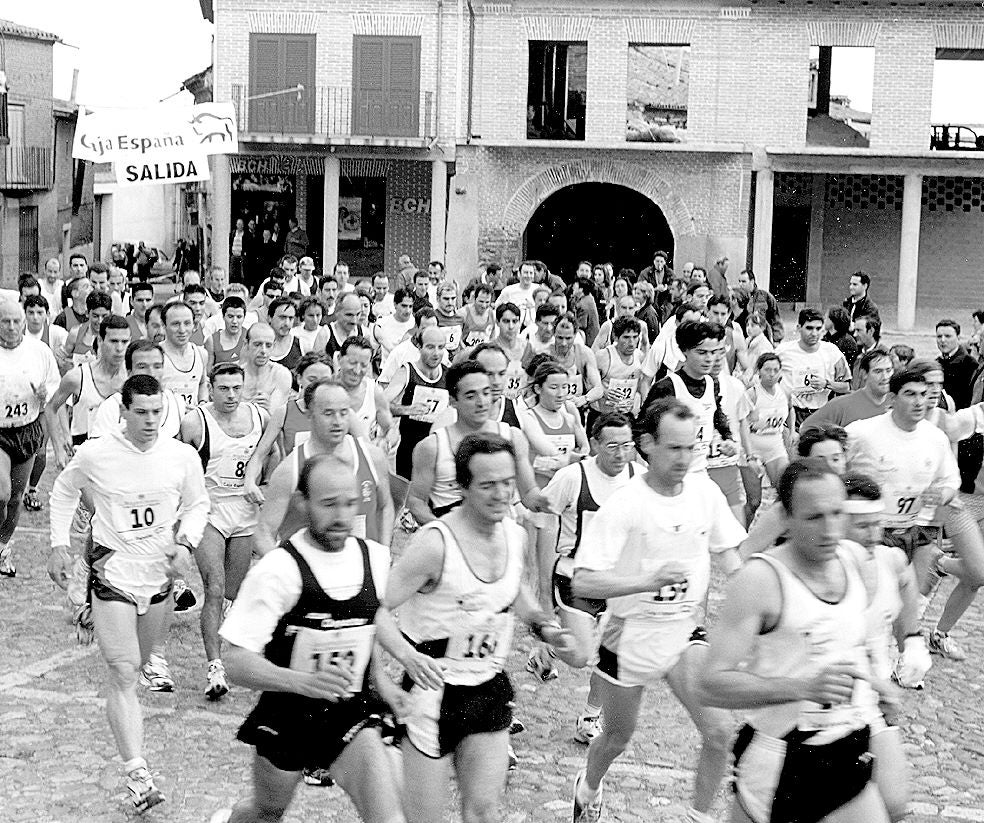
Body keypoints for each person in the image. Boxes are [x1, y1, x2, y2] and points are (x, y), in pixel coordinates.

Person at [383, 433, 574, 823]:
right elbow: (376, 609)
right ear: (463, 487)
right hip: (433, 694)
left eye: (507, 482)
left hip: (488, 686)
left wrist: (545, 626)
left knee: (485, 813)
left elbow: (515, 590)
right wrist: (405, 656)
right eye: (487, 485)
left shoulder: (515, 535)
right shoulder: (435, 544)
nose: (501, 494)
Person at [209, 453, 410, 823]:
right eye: (329, 504)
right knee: (266, 812)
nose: (341, 516)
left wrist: (385, 686)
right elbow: (235, 661)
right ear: (303, 503)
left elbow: (364, 631)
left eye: (350, 503)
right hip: (288, 714)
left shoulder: (376, 560)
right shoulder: (278, 570)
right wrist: (301, 681)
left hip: (350, 711)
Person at [570, 398, 744, 823]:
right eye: (674, 448)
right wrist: (646, 581)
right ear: (646, 444)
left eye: (691, 448)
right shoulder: (627, 503)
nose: (685, 459)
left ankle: (697, 817)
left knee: (720, 733)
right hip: (630, 633)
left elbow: (730, 557)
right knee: (615, 739)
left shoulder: (705, 492)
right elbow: (584, 581)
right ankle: (588, 788)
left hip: (684, 630)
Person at [697, 460, 894, 823]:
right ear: (786, 518)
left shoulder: (851, 560)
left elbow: (842, 647)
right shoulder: (760, 580)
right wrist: (803, 687)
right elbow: (710, 685)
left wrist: (875, 683)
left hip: (846, 747)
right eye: (814, 517)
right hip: (782, 758)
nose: (830, 528)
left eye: (837, 513)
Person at [47, 374, 209, 812]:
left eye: (158, 411)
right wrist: (59, 544)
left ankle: (86, 616)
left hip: (158, 579)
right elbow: (64, 488)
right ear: (123, 412)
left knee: (135, 670)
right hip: (113, 571)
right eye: (141, 412)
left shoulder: (181, 457)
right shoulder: (98, 453)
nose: (151, 420)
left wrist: (185, 542)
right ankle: (138, 776)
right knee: (122, 672)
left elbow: (197, 505)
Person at [846, 367, 984, 662]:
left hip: (918, 529)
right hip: (876, 531)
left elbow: (950, 480)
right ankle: (866, 654)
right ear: (893, 399)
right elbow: (831, 460)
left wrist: (943, 494)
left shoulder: (935, 437)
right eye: (910, 394)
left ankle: (901, 659)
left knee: (911, 601)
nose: (920, 401)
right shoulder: (863, 432)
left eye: (924, 394)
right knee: (875, 597)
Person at [539, 411, 638, 743]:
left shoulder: (640, 478)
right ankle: (549, 650)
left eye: (628, 445)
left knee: (612, 655)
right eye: (613, 446)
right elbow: (541, 524)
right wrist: (541, 593)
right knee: (581, 655)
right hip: (574, 575)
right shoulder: (572, 477)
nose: (621, 454)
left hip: (619, 583)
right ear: (594, 443)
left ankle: (589, 717)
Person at [179, 363, 269, 701]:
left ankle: (228, 640)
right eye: (224, 389)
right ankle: (214, 666)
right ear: (211, 389)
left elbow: (270, 454)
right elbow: (177, 461)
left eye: (236, 388)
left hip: (245, 514)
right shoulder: (195, 422)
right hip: (210, 511)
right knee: (214, 588)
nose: (231, 395)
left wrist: (264, 484)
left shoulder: (258, 418)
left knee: (233, 592)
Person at [841, 471, 927, 818]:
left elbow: (906, 582)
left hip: (873, 703)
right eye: (862, 525)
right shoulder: (821, 571)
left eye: (878, 524)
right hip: (825, 703)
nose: (873, 534)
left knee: (894, 803)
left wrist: (913, 638)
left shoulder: (889, 558)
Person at [254, 379, 393, 554]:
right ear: (310, 414)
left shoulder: (372, 457)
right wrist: (287, 572)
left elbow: (385, 506)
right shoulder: (290, 470)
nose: (338, 421)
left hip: (360, 573)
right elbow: (263, 532)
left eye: (344, 413)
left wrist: (384, 552)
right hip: (311, 575)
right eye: (328, 413)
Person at [406, 360, 542, 525]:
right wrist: (444, 532)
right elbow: (416, 501)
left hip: (501, 534)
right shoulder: (432, 447)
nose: (482, 402)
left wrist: (550, 502)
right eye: (471, 396)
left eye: (486, 393)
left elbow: (529, 493)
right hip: (451, 530)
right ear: (453, 401)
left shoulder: (513, 437)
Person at [0, 301, 61, 576]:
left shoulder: (39, 351)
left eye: (16, 321)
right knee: (1, 494)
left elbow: (55, 392)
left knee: (14, 498)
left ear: (24, 321)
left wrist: (43, 395)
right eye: (5, 321)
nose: (11, 327)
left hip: (27, 429)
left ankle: (3, 545)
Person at [641, 320, 736, 476]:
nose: (709, 359)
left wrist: (728, 438)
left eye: (713, 352)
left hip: (700, 473)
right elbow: (640, 429)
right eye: (702, 352)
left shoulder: (712, 383)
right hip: (669, 476)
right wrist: (659, 461)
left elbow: (716, 413)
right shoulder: (667, 387)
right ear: (685, 351)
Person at [387, 325, 449, 479]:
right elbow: (382, 404)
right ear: (419, 347)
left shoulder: (449, 375)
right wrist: (407, 410)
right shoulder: (407, 371)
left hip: (438, 450)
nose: (436, 353)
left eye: (441, 347)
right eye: (430, 347)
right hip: (409, 450)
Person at [737, 352, 792, 522]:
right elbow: (743, 424)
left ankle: (777, 532)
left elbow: (790, 410)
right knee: (754, 502)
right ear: (759, 371)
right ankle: (742, 534)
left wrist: (790, 432)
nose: (772, 374)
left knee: (787, 491)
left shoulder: (785, 392)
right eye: (767, 369)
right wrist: (749, 455)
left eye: (776, 370)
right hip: (753, 444)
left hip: (775, 444)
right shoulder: (752, 394)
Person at [776, 308, 850, 430]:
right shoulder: (782, 351)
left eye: (818, 329)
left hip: (820, 413)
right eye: (809, 328)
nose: (814, 333)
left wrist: (826, 384)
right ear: (798, 328)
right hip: (791, 414)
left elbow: (846, 386)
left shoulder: (832, 352)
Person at [798, 347, 892, 434]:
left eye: (888, 370)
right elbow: (806, 428)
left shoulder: (898, 401)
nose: (885, 377)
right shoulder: (842, 405)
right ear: (864, 374)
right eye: (878, 371)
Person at [526, 312, 602, 414]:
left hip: (576, 410)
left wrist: (584, 399)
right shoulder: (544, 354)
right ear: (554, 334)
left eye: (568, 338)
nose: (563, 343)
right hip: (549, 410)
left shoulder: (584, 354)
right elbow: (531, 388)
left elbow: (598, 388)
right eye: (560, 338)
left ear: (575, 335)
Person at [337, 336, 391, 442]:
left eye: (363, 365)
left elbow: (390, 428)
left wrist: (384, 443)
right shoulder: (323, 390)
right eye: (352, 363)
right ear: (339, 359)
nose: (357, 371)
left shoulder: (375, 392)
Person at [591, 316, 644, 423]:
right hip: (602, 416)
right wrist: (604, 392)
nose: (631, 342)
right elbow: (588, 383)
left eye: (635, 337)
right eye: (626, 337)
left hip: (626, 417)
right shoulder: (602, 357)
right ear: (615, 337)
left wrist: (634, 403)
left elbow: (640, 389)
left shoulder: (640, 357)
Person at [160, 301, 208, 410]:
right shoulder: (155, 356)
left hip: (192, 421)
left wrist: (203, 402)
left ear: (194, 325)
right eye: (175, 324)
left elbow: (202, 383)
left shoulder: (201, 354)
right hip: (166, 422)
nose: (182, 330)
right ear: (164, 326)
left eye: (187, 323)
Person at [241, 323, 292, 413]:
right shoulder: (236, 375)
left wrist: (268, 408)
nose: (263, 351)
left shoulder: (281, 374)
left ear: (274, 346)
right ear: (246, 344)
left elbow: (275, 414)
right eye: (257, 344)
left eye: (268, 345)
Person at [58, 291, 113, 373]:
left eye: (104, 316)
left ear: (111, 314)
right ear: (87, 313)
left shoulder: (116, 336)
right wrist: (63, 363)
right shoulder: (75, 333)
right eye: (95, 316)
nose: (100, 321)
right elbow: (62, 360)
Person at [735, 269, 783, 342]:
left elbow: (776, 319)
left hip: (763, 339)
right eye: (739, 281)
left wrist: (776, 340)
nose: (740, 284)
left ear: (752, 282)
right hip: (745, 339)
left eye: (744, 281)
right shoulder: (739, 298)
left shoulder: (765, 297)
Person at [205, 296, 248, 370]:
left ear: (244, 317)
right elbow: (207, 371)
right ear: (223, 316)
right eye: (230, 316)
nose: (234, 321)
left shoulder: (250, 337)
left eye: (239, 317)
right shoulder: (212, 340)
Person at [321, 292, 366, 359]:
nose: (354, 320)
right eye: (349, 315)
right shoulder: (325, 334)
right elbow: (315, 366)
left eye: (358, 314)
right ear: (337, 312)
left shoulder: (364, 333)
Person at [495, 260, 538, 329]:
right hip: (512, 328)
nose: (528, 276)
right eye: (526, 273)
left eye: (531, 273)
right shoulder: (508, 291)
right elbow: (497, 309)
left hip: (534, 329)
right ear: (519, 274)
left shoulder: (539, 290)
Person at [265, 297, 303, 372]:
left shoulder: (301, 345)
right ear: (269, 318)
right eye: (282, 317)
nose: (287, 323)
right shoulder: (256, 344)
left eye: (291, 318)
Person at [851, 314, 882, 389]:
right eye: (854, 330)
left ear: (871, 331)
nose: (855, 335)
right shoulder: (855, 352)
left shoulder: (883, 356)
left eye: (858, 330)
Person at [572, 278, 601, 347]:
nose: (573, 287)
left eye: (575, 286)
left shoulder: (583, 305)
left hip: (589, 340)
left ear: (581, 289)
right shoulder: (589, 297)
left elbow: (581, 325)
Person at [632, 280, 661, 345]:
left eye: (638, 294)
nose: (635, 296)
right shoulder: (639, 310)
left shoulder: (650, 313)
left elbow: (653, 337)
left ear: (646, 295)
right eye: (635, 293)